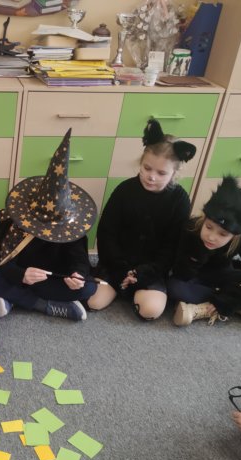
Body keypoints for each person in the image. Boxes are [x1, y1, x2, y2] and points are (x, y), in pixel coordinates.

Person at [0, 129, 98, 321]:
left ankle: (10, 296)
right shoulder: (19, 226)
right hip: (18, 274)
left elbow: (80, 260)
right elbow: (1, 262)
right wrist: (21, 275)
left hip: (48, 278)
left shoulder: (71, 229)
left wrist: (78, 275)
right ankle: (40, 304)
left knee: (89, 287)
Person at [90, 119, 195, 320]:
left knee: (150, 310)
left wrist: (143, 273)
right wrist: (121, 268)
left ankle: (135, 291)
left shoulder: (180, 199)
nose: (151, 177)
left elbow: (173, 245)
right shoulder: (125, 189)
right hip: (115, 263)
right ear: (141, 163)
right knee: (93, 301)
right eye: (147, 168)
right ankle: (122, 287)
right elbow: (106, 232)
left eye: (161, 173)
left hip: (151, 269)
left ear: (174, 173)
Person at [168, 176, 241, 326]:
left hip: (223, 275)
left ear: (234, 235)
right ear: (204, 219)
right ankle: (236, 308)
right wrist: (197, 256)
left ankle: (208, 308)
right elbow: (180, 272)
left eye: (222, 234)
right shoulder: (190, 228)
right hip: (195, 277)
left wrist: (237, 292)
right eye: (209, 227)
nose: (211, 237)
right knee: (175, 288)